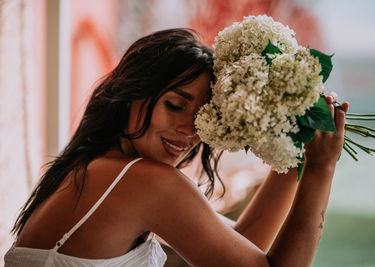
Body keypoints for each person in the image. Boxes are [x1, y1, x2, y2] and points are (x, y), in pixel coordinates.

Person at [4, 28, 349, 266]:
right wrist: (322, 169)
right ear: (131, 93)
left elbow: (243, 249)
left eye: (201, 116)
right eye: (174, 105)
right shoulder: (142, 180)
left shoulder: (97, 167)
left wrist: (293, 149)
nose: (188, 130)